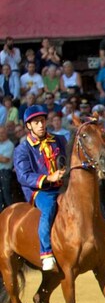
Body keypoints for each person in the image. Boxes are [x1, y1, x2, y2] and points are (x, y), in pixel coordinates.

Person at [13, 105, 67, 271]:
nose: (41, 125)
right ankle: (46, 252)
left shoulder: (59, 140)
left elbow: (68, 159)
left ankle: (103, 252)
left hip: (64, 185)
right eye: (36, 122)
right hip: (40, 191)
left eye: (42, 121)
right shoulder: (22, 149)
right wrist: (48, 178)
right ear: (28, 126)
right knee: (48, 209)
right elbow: (23, 176)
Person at [0, 125, 16, 212]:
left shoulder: (10, 144)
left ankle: (11, 212)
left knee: (6, 194)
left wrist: (1, 158)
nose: (0, 135)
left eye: (2, 133)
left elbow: (5, 159)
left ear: (6, 134)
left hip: (5, 172)